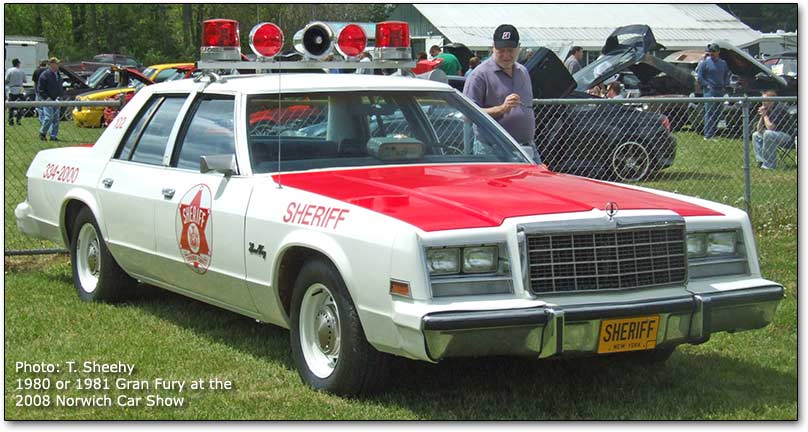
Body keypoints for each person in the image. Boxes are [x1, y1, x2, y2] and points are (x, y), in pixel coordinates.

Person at [463, 24, 537, 159]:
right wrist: (502, 109)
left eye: (510, 50)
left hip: (526, 148)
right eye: (501, 50)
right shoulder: (479, 75)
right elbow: (467, 114)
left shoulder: (523, 71)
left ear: (518, 48)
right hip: (493, 150)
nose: (506, 55)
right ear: (493, 47)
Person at [753, 89, 797, 170]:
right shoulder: (768, 109)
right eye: (762, 100)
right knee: (756, 135)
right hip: (775, 135)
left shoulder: (779, 108)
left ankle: (769, 165)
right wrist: (762, 116)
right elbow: (759, 129)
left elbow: (771, 127)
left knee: (768, 133)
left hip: (788, 137)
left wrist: (765, 115)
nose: (763, 102)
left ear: (772, 101)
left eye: (765, 100)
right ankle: (761, 161)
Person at [696, 43, 730, 141]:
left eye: (714, 51)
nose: (712, 53)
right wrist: (707, 85)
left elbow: (727, 74)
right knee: (710, 112)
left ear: (718, 52)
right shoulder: (704, 63)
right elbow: (700, 77)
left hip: (720, 90)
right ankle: (708, 135)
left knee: (718, 113)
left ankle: (713, 133)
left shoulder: (723, 63)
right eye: (710, 51)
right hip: (709, 91)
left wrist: (725, 84)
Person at [37, 57, 64, 141]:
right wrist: (46, 98)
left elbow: (59, 86)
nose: (58, 65)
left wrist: (60, 96)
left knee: (56, 119)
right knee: (49, 118)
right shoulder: (45, 75)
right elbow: (40, 89)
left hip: (56, 99)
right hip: (47, 100)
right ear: (51, 64)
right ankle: (42, 133)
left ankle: (53, 136)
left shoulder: (58, 74)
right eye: (57, 63)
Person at [5, 58, 27, 126]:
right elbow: (25, 81)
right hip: (20, 88)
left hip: (12, 88)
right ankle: (18, 119)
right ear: (18, 64)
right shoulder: (21, 71)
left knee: (11, 106)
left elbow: (6, 80)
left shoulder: (9, 70)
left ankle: (11, 121)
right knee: (21, 105)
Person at [32, 60, 48, 126]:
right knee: (46, 106)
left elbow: (34, 81)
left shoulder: (36, 71)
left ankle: (41, 119)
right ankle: (46, 119)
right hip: (46, 91)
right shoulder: (47, 71)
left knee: (39, 107)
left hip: (38, 90)